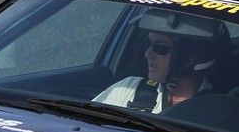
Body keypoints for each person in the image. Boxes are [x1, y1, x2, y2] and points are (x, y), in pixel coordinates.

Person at [93, 10, 225, 114]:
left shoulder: (217, 111)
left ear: (191, 56)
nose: (147, 54)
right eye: (148, 44)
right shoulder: (127, 90)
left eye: (160, 47)